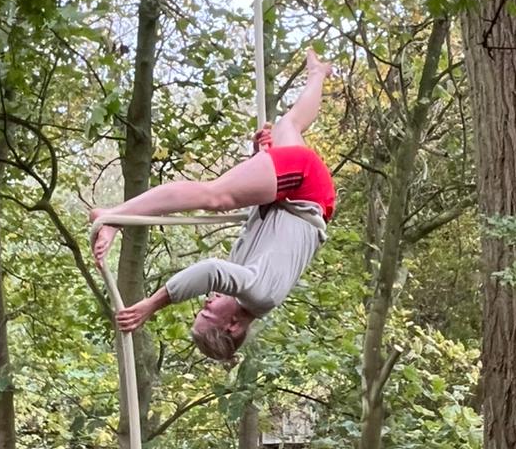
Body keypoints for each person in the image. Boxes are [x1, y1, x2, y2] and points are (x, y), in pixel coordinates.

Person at [91, 50, 336, 363]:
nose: (206, 302)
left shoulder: (252, 288)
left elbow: (259, 220)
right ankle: (116, 217)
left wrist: (259, 160)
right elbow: (210, 270)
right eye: (208, 312)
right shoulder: (259, 295)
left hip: (298, 197)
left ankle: (318, 73)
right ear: (232, 325)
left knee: (289, 125)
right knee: (215, 197)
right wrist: (151, 304)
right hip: (303, 188)